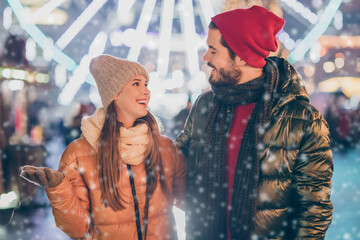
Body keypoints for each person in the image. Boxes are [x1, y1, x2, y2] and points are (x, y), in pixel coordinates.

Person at [176, 5, 333, 240]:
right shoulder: (205, 105)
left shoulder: (303, 119)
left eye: (212, 50)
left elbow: (314, 208)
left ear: (240, 56)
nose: (205, 58)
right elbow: (177, 162)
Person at [21, 55, 186, 240]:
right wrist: (58, 188)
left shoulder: (165, 148)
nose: (147, 91)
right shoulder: (80, 153)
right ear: (114, 93)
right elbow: (79, 229)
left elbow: (187, 200)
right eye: (136, 84)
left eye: (146, 84)